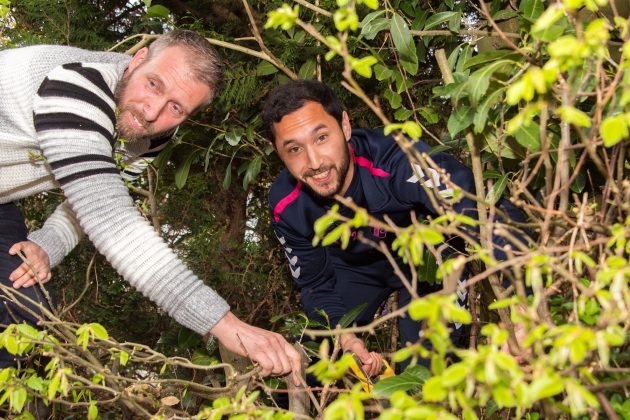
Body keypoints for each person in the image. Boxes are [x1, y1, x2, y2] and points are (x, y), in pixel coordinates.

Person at [0, 30, 301, 382]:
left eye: (176, 108)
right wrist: (226, 325)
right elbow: (110, 220)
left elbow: (85, 201)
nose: (152, 112)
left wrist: (46, 244)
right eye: (154, 84)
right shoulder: (75, 85)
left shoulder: (150, 133)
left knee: (23, 302)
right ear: (138, 59)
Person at [263, 80, 528, 376]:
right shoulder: (286, 203)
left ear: (345, 127)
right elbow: (315, 284)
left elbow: (484, 211)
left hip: (427, 260)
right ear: (278, 153)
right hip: (356, 269)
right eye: (295, 149)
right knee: (317, 359)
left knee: (424, 370)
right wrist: (344, 336)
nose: (314, 162)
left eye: (322, 137)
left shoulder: (395, 159)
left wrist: (523, 303)